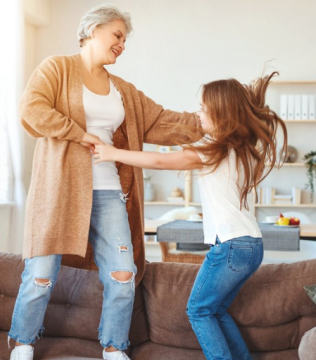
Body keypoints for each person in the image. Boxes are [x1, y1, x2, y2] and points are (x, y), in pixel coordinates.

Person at [8, 4, 200, 360]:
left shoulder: (123, 90)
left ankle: (114, 346)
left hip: (110, 192)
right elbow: (31, 109)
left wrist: (210, 119)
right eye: (117, 36)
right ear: (92, 31)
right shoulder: (57, 68)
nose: (122, 45)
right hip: (60, 191)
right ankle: (23, 342)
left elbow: (163, 121)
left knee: (123, 274)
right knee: (41, 274)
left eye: (124, 39)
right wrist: (78, 133)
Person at [93, 72, 288, 360]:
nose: (198, 114)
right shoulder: (242, 148)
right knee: (215, 310)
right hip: (251, 245)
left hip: (231, 245)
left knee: (198, 310)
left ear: (220, 112)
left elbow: (160, 160)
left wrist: (113, 153)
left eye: (202, 108)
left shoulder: (213, 149)